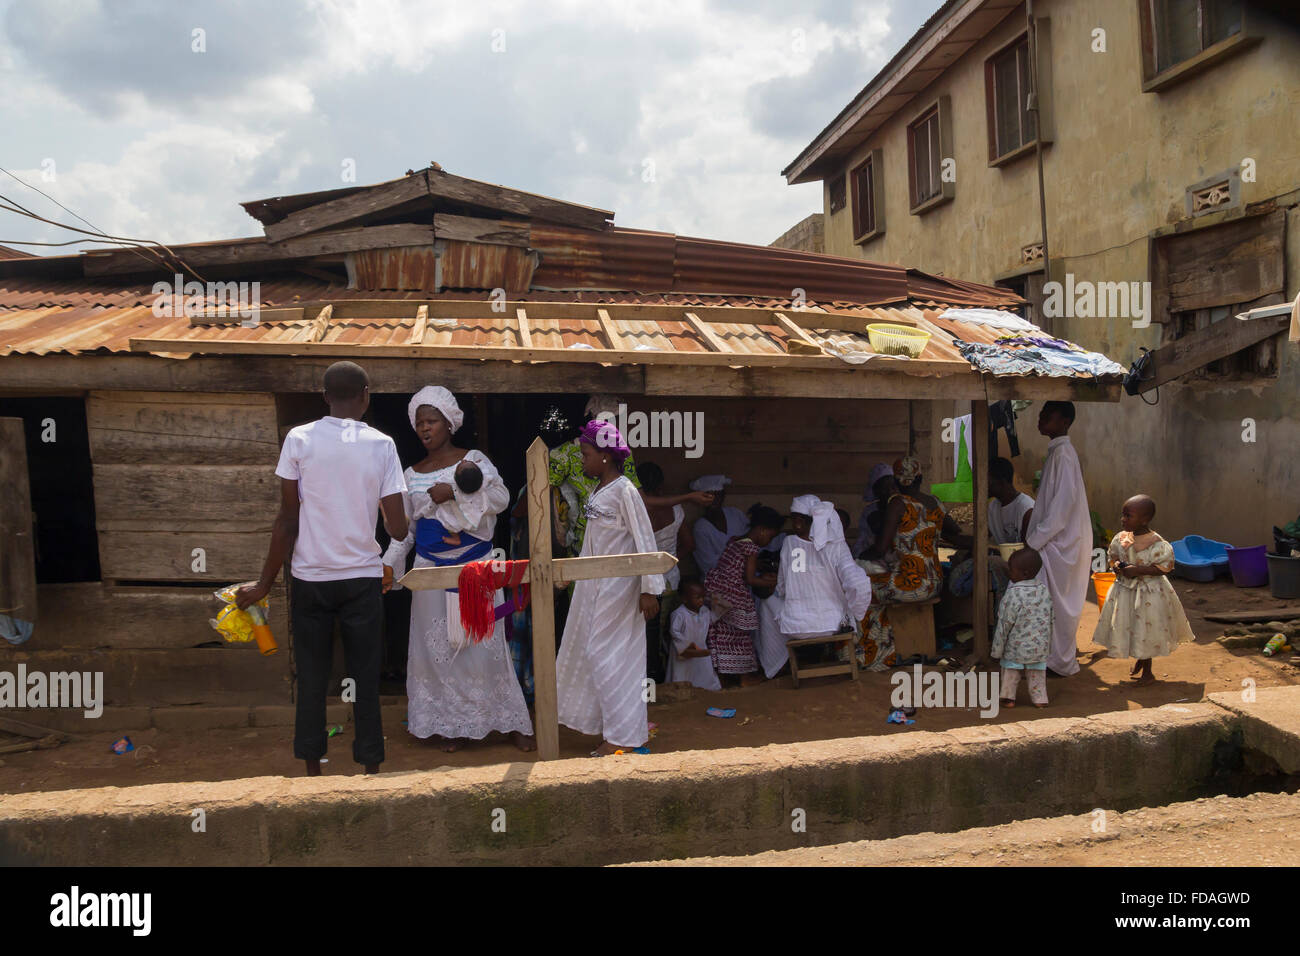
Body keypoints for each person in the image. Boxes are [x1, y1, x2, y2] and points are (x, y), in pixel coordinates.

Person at [237, 361, 408, 777]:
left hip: (311, 579)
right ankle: (370, 768)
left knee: (311, 678)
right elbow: (399, 527)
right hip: (361, 580)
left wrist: (264, 584)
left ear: (325, 396)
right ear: (366, 395)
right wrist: (380, 510)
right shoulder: (382, 445)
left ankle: (313, 770)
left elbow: (287, 521)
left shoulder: (298, 439)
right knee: (365, 678)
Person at [381, 386, 535, 753]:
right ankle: (453, 726)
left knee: (484, 646)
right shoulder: (410, 474)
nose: (425, 428)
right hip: (430, 573)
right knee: (439, 652)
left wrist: (453, 492)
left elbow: (500, 499)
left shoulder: (474, 460)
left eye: (432, 421)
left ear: (449, 423)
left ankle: (506, 721)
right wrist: (388, 565)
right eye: (419, 423)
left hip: (475, 571)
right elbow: (406, 532)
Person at [557, 419, 665, 756]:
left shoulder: (625, 491)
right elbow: (593, 543)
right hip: (595, 587)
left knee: (608, 656)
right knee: (594, 654)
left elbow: (645, 539)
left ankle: (622, 737)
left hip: (621, 588)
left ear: (605, 456)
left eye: (586, 454)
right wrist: (573, 574)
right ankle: (615, 729)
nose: (582, 461)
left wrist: (650, 588)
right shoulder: (598, 491)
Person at [855, 459, 956, 670]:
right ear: (920, 478)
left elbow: (880, 549)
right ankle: (885, 650)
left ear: (896, 481)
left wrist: (859, 558)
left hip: (911, 583)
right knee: (877, 588)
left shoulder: (898, 503)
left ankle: (877, 655)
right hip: (935, 581)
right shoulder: (934, 502)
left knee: (862, 590)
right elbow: (953, 529)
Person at [757, 495, 871, 678]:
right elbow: (857, 583)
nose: (794, 523)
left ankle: (774, 666)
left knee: (766, 604)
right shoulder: (837, 546)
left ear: (800, 522)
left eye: (795, 518)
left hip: (797, 627)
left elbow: (783, 586)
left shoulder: (789, 544)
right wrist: (855, 613)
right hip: (834, 624)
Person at [1091, 494, 1193, 686]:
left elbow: (1164, 567)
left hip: (1149, 594)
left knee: (1146, 628)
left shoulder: (1158, 544)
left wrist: (1137, 570)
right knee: (1132, 626)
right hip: (1125, 592)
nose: (1123, 519)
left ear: (1144, 519)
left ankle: (1148, 671)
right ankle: (1141, 658)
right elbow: (1113, 558)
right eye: (1123, 515)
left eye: (1128, 516)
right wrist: (1118, 567)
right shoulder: (1120, 539)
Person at [1024, 401, 1093, 678]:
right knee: (1050, 603)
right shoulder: (1057, 453)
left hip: (1061, 544)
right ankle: (1050, 657)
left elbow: (1061, 509)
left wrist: (1033, 543)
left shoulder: (1064, 454)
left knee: (1059, 606)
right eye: (1041, 414)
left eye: (1047, 415)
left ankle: (1059, 662)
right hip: (1055, 542)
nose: (1040, 419)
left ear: (1064, 421)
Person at [636, 460, 700, 683]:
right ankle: (665, 678)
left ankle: (650, 680)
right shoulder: (676, 510)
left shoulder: (637, 512)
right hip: (670, 581)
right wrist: (670, 563)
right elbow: (689, 544)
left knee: (644, 636)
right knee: (664, 633)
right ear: (661, 485)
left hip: (642, 583)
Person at [704, 504, 783, 685]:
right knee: (740, 637)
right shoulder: (751, 549)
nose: (769, 542)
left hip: (717, 591)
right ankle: (744, 677)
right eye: (770, 537)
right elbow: (750, 579)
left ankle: (724, 676)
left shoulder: (736, 541)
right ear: (762, 531)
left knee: (722, 634)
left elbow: (739, 567)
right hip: (732, 595)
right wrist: (777, 581)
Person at [992, 547, 1053, 708]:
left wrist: (997, 650)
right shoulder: (1044, 591)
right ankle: (1040, 699)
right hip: (1039, 647)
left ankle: (1008, 698)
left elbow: (1004, 623)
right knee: (1037, 673)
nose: (1008, 572)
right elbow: (1050, 619)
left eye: (1011, 569)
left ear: (1024, 573)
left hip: (1016, 648)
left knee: (1010, 669)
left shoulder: (1013, 593)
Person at [665, 578, 721, 691]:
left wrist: (714, 599)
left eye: (703, 597)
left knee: (704, 673)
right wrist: (687, 649)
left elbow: (719, 612)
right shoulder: (679, 614)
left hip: (700, 648)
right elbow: (675, 633)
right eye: (697, 598)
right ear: (684, 599)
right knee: (682, 675)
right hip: (683, 650)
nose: (701, 600)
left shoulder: (705, 611)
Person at [691, 475, 748, 575]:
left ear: (723, 496)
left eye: (718, 495)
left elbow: (750, 541)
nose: (713, 499)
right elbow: (708, 564)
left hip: (745, 575)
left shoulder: (735, 514)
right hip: (717, 581)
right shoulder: (700, 528)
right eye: (708, 496)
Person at [988, 456, 1034, 545]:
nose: (983, 484)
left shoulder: (1027, 509)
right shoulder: (992, 507)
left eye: (988, 481)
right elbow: (981, 537)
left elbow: (1029, 551)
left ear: (1002, 482)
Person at [855, 462, 895, 557]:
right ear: (876, 491)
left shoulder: (902, 506)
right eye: (884, 488)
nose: (890, 491)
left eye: (892, 487)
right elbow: (865, 540)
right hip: (871, 556)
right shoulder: (871, 512)